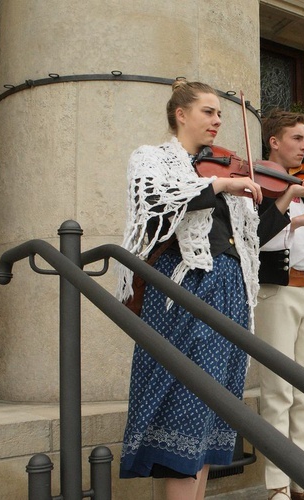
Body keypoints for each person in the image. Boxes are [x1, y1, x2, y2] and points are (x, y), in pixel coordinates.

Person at [116, 79, 269, 500]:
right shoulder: (152, 158)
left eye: (220, 113)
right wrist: (220, 187)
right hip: (184, 290)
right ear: (180, 114)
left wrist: (286, 198)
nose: (218, 120)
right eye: (208, 111)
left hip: (228, 292)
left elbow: (248, 239)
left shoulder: (222, 167)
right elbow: (154, 205)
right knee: (183, 405)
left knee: (211, 414)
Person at [254, 109, 304, 500]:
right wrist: (297, 211)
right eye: (297, 138)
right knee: (278, 391)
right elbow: (254, 241)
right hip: (278, 292)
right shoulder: (259, 185)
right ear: (274, 141)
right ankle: (277, 484)